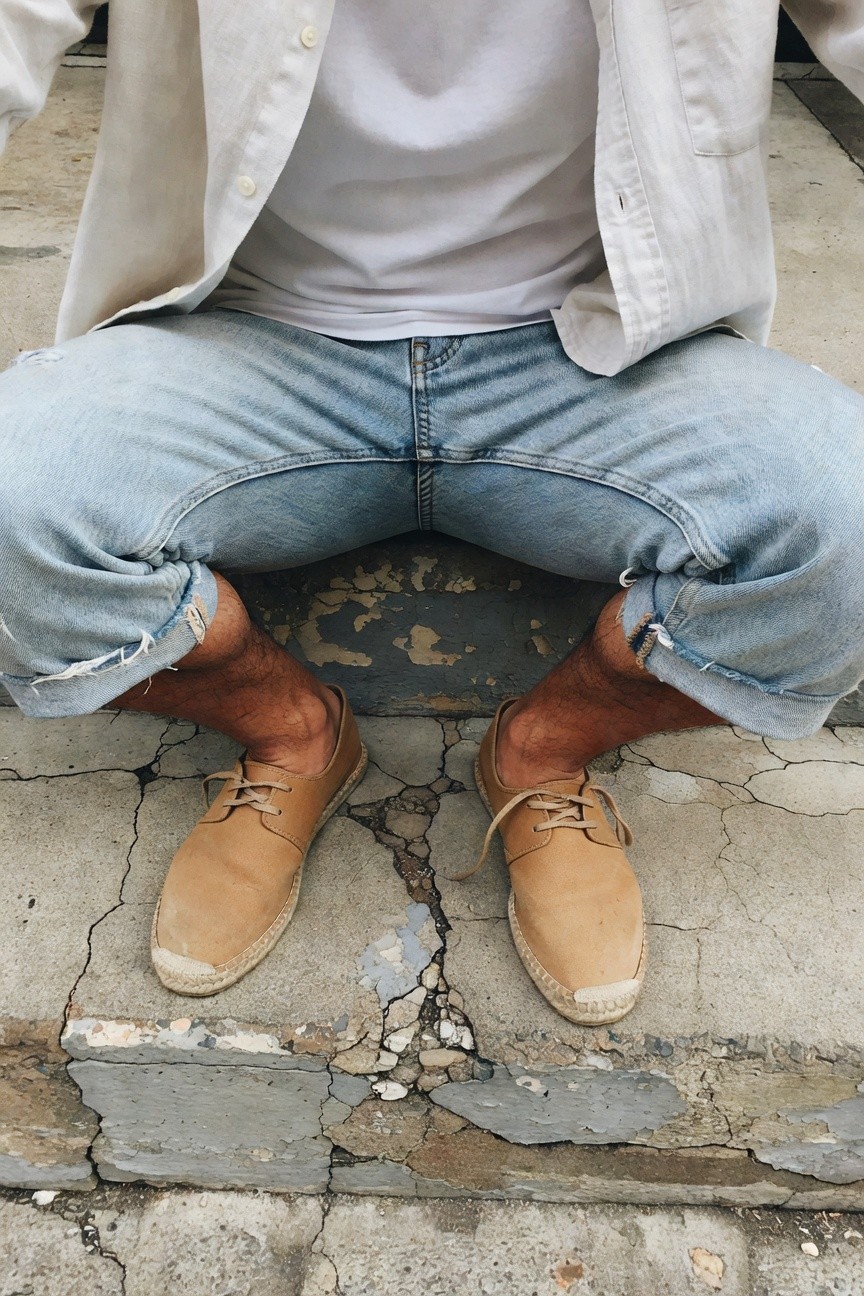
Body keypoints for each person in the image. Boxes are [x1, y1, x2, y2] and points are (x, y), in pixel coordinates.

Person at [1, 2, 862, 1023]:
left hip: (594, 346)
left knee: (843, 519)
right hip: (252, 336)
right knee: (20, 491)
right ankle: (293, 732)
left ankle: (542, 750)